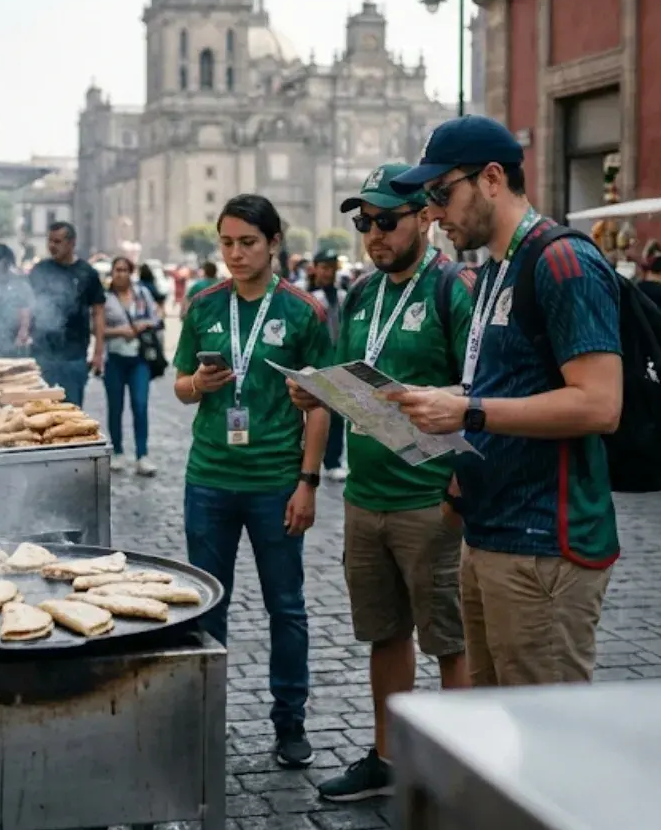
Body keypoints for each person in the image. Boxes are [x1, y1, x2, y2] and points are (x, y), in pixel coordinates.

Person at [387, 114, 623, 688]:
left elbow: (599, 405)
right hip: (488, 532)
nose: (433, 213)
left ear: (491, 179)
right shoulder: (493, 268)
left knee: (545, 746)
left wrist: (468, 410)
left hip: (543, 542)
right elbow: (502, 386)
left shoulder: (563, 259)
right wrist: (433, 402)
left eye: (441, 193)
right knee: (492, 734)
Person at [293, 165, 473, 801]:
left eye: (385, 220)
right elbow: (353, 384)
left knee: (450, 641)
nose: (373, 233)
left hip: (430, 498)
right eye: (363, 222)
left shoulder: (454, 288)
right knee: (384, 633)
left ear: (424, 215)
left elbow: (480, 394)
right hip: (366, 498)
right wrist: (316, 389)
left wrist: (457, 488)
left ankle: (458, 774)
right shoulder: (363, 294)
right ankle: (389, 756)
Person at [173, 193, 330, 769]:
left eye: (248, 243)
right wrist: (198, 385)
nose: (236, 255)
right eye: (227, 243)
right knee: (206, 607)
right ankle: (203, 718)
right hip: (209, 478)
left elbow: (320, 406)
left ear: (273, 243)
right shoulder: (202, 304)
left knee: (285, 607)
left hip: (274, 481)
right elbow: (180, 386)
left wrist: (308, 480)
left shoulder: (303, 312)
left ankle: (290, 721)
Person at [29, 221, 106, 405]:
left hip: (74, 356)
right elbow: (27, 306)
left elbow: (98, 312)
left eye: (57, 241)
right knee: (39, 409)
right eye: (50, 241)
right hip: (42, 354)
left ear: (71, 243)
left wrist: (98, 353)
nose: (52, 246)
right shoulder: (40, 270)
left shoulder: (87, 273)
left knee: (71, 413)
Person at [101, 256, 162, 477]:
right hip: (115, 358)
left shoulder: (142, 294)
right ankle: (117, 451)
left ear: (131, 272)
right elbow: (96, 329)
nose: (120, 274)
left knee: (140, 404)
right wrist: (119, 331)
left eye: (125, 270)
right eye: (117, 270)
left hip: (139, 358)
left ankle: (142, 455)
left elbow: (156, 318)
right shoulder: (105, 298)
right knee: (115, 407)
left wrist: (143, 324)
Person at [309, 250, 348, 482]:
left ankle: (333, 460)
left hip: (337, 361)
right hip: (314, 361)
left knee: (336, 415)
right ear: (316, 268)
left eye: (332, 267)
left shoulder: (343, 296)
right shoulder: (309, 297)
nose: (328, 272)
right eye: (324, 267)